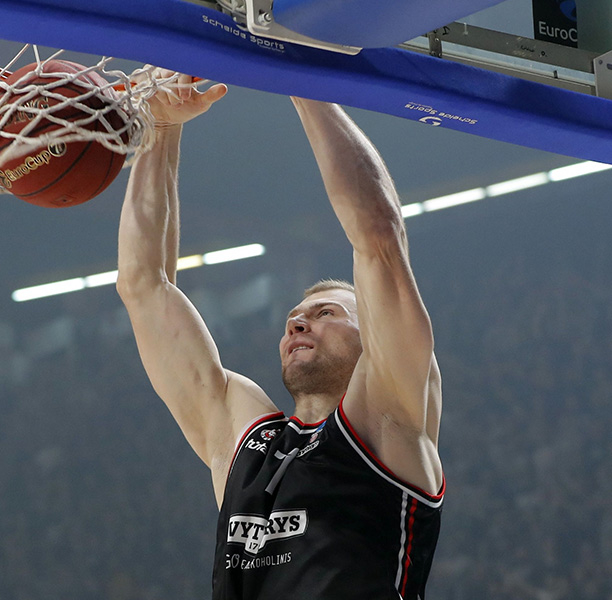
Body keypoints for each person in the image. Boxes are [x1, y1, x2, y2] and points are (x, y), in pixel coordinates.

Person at [116, 72, 444, 599]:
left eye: (326, 312)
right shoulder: (245, 440)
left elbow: (379, 235)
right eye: (295, 317)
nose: (298, 323)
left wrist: (299, 78)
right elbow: (143, 285)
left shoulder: (390, 415)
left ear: (375, 337)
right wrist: (160, 128)